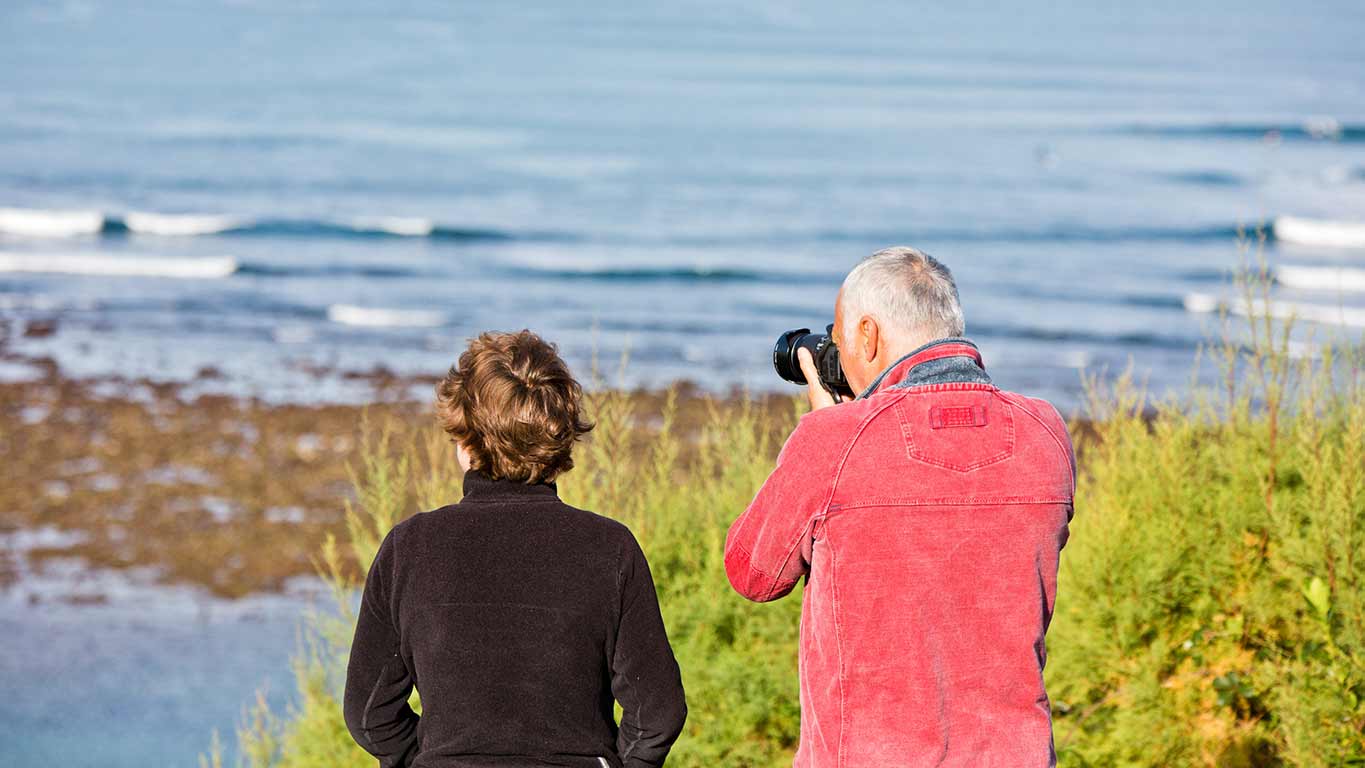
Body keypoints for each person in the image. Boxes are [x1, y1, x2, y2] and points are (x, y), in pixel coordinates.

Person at [725, 247, 1075, 767]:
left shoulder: (835, 443)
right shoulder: (1046, 433)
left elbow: (752, 573)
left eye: (839, 343)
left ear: (867, 335)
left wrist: (826, 434)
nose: (838, 358)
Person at [344, 330, 687, 768]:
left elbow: (369, 716)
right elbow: (657, 714)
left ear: (464, 439)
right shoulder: (609, 547)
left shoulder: (409, 548)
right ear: (560, 438)